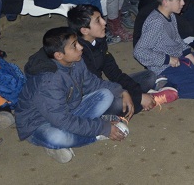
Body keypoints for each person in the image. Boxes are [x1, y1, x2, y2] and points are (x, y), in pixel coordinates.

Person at [16, 27, 129, 164]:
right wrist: (103, 128)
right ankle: (93, 136)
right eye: (74, 46)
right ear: (59, 55)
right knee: (58, 137)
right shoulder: (48, 81)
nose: (81, 47)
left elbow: (92, 83)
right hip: (37, 124)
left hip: (66, 111)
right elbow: (63, 120)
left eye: (78, 42)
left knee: (106, 95)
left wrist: (121, 91)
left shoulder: (75, 60)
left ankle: (73, 137)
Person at [67, 4, 177, 116]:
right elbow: (96, 87)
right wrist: (138, 97)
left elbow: (115, 73)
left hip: (105, 87)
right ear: (85, 30)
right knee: (117, 104)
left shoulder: (100, 40)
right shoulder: (78, 54)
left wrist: (136, 93)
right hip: (91, 96)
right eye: (98, 21)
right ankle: (151, 99)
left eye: (101, 18)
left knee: (149, 76)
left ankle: (145, 98)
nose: (104, 23)